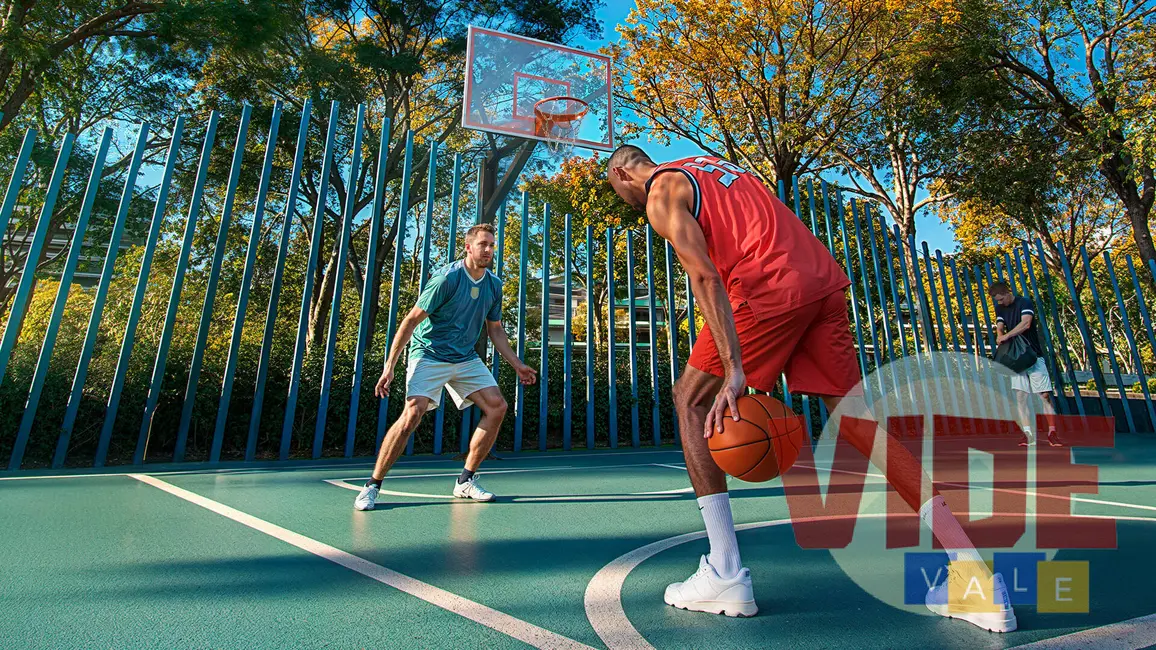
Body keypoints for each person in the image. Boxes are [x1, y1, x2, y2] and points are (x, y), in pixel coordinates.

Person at [607, 145, 1017, 632]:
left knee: (691, 400)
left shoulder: (661, 190)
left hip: (766, 288)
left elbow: (703, 273)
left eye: (616, 190)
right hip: (821, 284)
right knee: (859, 420)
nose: (624, 199)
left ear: (621, 173)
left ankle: (724, 571)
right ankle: (974, 575)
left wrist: (736, 367)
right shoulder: (711, 165)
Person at [354, 224, 537, 511]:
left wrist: (517, 365)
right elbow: (411, 321)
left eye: (492, 245)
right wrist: (390, 366)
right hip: (429, 353)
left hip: (464, 357)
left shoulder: (493, 285)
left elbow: (496, 331)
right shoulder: (446, 279)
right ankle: (372, 485)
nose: (488, 250)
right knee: (412, 414)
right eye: (483, 244)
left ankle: (466, 480)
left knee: (497, 406)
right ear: (468, 247)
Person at [990, 282, 1061, 447]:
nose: (999, 303)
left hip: (1033, 355)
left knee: (1044, 395)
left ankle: (1052, 432)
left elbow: (1026, 323)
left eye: (1001, 299)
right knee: (1021, 397)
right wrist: (1000, 335)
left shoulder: (1025, 302)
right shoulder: (1000, 308)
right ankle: (1028, 434)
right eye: (997, 300)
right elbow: (1000, 326)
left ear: (1007, 293)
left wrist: (1006, 336)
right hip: (1015, 359)